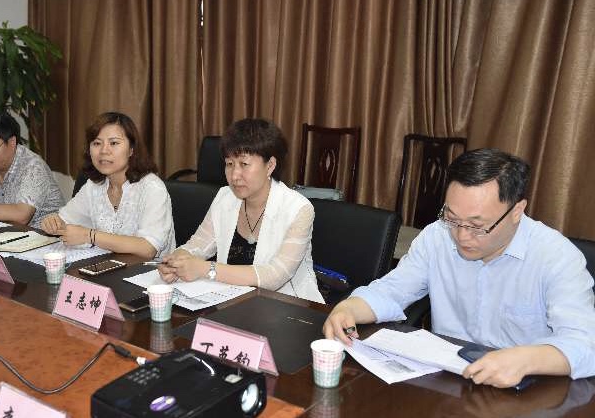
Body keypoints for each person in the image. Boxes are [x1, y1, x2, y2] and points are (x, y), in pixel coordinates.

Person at [323, 148, 595, 387]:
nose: (462, 236)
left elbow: (586, 344)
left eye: (477, 225)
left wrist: (525, 359)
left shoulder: (556, 257)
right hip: (448, 380)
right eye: (452, 218)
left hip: (524, 389)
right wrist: (349, 307)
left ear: (516, 211)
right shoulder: (437, 236)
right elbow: (393, 290)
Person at [157, 118, 323, 303]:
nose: (234, 175)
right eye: (229, 164)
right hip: (231, 302)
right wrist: (175, 262)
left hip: (286, 306)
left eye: (244, 164)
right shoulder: (225, 197)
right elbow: (198, 245)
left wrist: (206, 269)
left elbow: (274, 276)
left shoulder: (298, 209)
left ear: (270, 165)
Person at [40, 112, 174, 259]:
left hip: (149, 271)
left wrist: (90, 236)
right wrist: (53, 222)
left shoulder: (152, 188)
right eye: (97, 143)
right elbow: (65, 220)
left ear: (131, 149)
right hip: (108, 266)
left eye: (114, 143)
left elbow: (148, 248)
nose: (104, 151)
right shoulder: (94, 185)